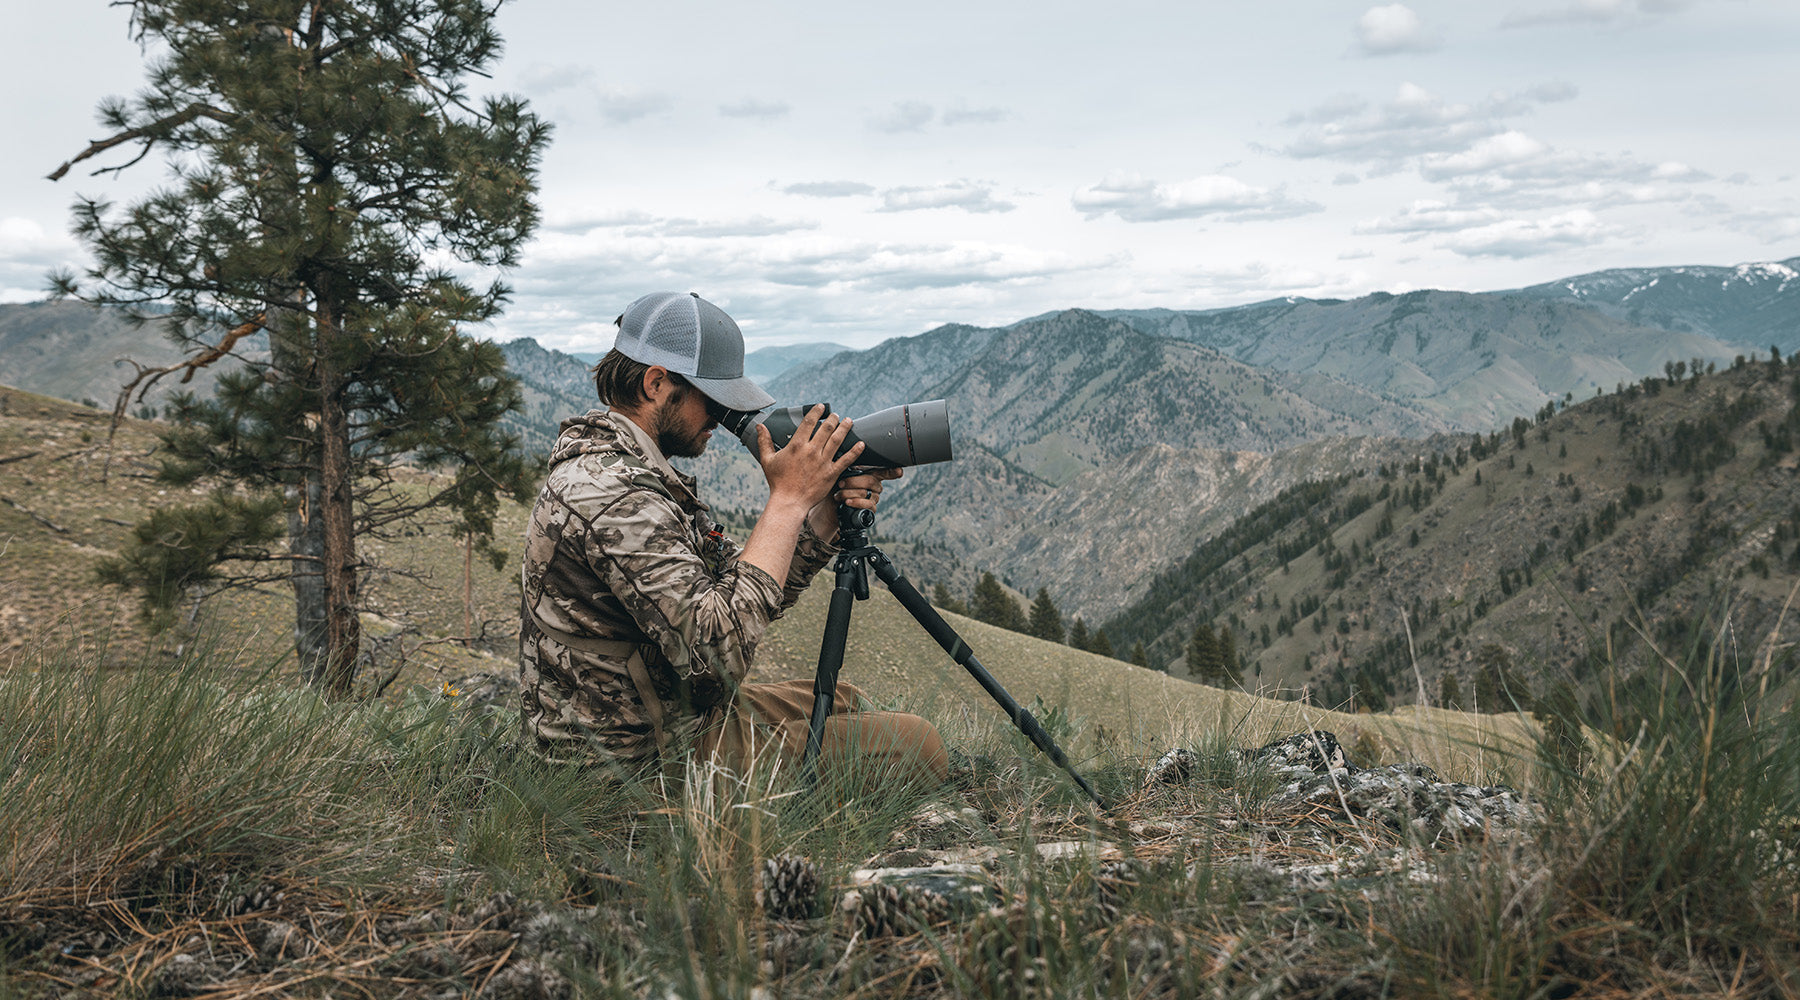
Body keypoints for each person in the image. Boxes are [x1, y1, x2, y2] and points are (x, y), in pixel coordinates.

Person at [519, 291, 949, 787]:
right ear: (657, 383)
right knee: (919, 746)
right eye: (714, 401)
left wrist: (823, 516)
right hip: (630, 765)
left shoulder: (632, 472)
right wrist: (787, 501)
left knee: (845, 700)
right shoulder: (610, 495)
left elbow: (741, 594)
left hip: (665, 720)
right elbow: (716, 658)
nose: (722, 421)